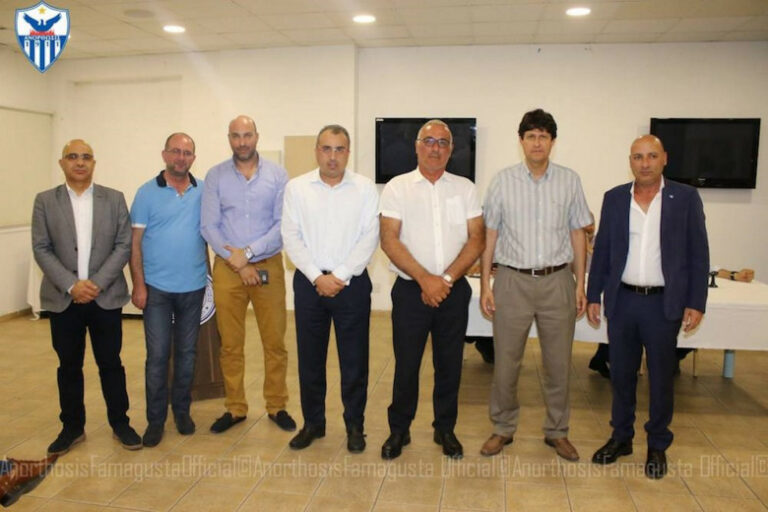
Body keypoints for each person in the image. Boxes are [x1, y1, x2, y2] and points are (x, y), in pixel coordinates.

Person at [587, 135, 709, 479]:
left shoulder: (684, 198)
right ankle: (621, 437)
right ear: (630, 161)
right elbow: (603, 251)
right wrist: (594, 295)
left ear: (664, 158)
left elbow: (698, 253)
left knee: (660, 377)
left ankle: (657, 443)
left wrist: (695, 301)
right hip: (623, 301)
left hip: (662, 304)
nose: (645, 163)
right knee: (621, 374)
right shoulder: (614, 198)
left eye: (652, 156)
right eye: (638, 157)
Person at [479, 109, 591, 462]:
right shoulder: (502, 181)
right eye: (531, 136)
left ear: (552, 142)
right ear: (521, 141)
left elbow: (578, 234)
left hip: (557, 281)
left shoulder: (569, 181)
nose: (537, 143)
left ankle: (558, 431)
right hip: (511, 281)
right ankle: (502, 427)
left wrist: (580, 284)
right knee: (506, 362)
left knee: (558, 364)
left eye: (543, 136)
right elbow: (489, 235)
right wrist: (485, 285)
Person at [379, 119, 484, 460]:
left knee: (450, 364)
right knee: (406, 365)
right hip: (411, 291)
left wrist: (447, 279)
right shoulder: (397, 187)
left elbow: (477, 239)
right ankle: (399, 429)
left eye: (442, 142)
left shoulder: (465, 188)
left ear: (451, 149)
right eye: (428, 141)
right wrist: (426, 279)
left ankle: (445, 428)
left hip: (453, 291)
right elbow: (389, 239)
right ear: (417, 146)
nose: (435, 148)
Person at [32, 139, 142, 455]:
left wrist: (96, 284)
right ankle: (72, 427)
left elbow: (123, 245)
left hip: (105, 298)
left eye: (86, 157)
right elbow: (41, 247)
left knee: (111, 363)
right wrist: (72, 285)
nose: (79, 162)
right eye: (72, 157)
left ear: (94, 163)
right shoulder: (45, 201)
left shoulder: (114, 199)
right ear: (62, 163)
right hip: (63, 299)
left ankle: (120, 423)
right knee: (68, 366)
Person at [281, 124, 379, 453]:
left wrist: (339, 275)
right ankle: (313, 423)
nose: (332, 156)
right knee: (310, 359)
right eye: (326, 148)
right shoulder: (297, 188)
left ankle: (355, 425)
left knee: (354, 361)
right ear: (317, 151)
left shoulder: (365, 189)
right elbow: (290, 236)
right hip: (310, 284)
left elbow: (369, 236)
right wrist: (316, 276)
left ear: (348, 153)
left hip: (351, 285)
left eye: (339, 149)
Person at [201, 115, 296, 433]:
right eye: (235, 136)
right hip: (228, 268)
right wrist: (239, 262)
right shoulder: (215, 176)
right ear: (229, 138)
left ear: (257, 136)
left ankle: (277, 405)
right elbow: (208, 226)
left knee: (275, 343)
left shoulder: (278, 175)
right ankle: (235, 407)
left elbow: (282, 225)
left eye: (247, 135)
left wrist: (250, 254)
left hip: (268, 265)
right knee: (230, 344)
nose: (242, 142)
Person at [129, 133, 208, 447]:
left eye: (187, 153)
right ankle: (155, 421)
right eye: (175, 151)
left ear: (193, 158)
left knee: (187, 355)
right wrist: (138, 284)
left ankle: (182, 413)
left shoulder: (203, 190)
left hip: (194, 287)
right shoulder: (146, 193)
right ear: (164, 154)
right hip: (157, 290)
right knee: (158, 356)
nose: (181, 157)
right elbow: (135, 244)